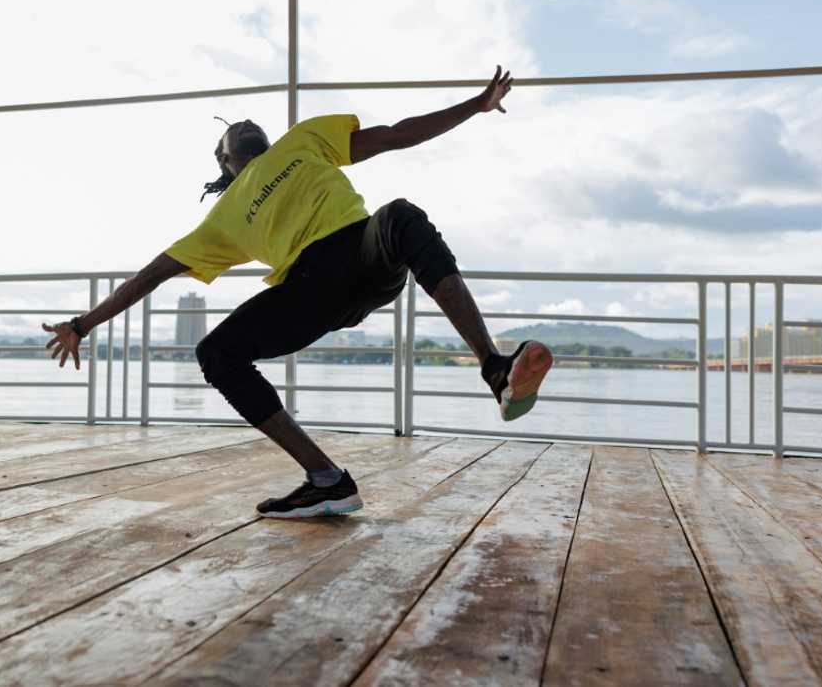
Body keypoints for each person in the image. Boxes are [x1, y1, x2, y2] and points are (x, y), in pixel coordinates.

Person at [43, 65, 553, 519]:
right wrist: (82, 325)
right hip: (310, 289)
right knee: (216, 353)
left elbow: (398, 135)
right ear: (224, 160)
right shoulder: (219, 220)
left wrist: (476, 105)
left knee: (400, 214)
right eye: (229, 131)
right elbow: (148, 276)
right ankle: (326, 480)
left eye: (245, 122)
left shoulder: (303, 139)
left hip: (365, 251)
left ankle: (495, 368)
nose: (242, 122)